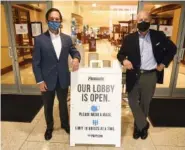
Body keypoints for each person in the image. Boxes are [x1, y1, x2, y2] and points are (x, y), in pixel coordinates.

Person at [117, 11, 176, 140]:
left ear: (150, 21)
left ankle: (139, 129)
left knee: (145, 103)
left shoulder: (158, 36)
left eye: (145, 19)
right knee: (132, 101)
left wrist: (163, 64)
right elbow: (120, 54)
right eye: (140, 20)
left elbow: (172, 49)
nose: (142, 22)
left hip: (150, 75)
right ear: (136, 22)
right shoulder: (129, 38)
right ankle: (143, 124)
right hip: (134, 74)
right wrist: (124, 60)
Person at [32, 8, 81, 140]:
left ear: (60, 21)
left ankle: (65, 124)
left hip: (63, 78)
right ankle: (49, 127)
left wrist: (76, 59)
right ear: (47, 21)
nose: (54, 21)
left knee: (63, 103)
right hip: (47, 80)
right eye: (52, 19)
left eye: (57, 19)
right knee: (48, 105)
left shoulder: (66, 39)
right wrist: (40, 81)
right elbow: (35, 63)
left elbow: (74, 52)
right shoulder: (40, 40)